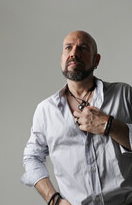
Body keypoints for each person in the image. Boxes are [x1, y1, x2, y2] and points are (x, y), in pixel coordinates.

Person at [21, 31, 132, 205]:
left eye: (83, 47)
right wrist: (54, 200)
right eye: (68, 48)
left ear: (96, 60)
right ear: (62, 58)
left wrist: (109, 125)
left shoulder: (123, 94)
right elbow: (32, 157)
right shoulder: (45, 110)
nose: (74, 53)